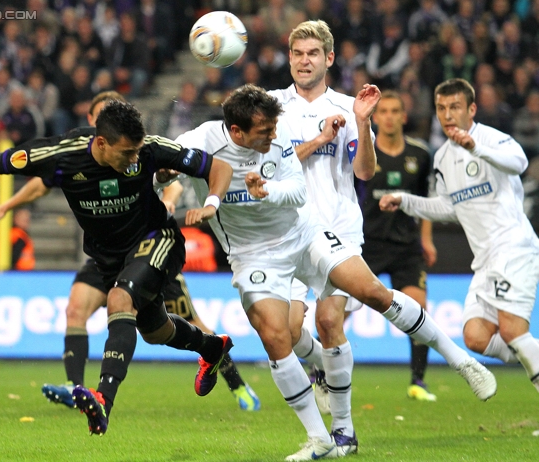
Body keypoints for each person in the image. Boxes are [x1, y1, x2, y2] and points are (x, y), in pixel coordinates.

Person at [177, 84, 497, 462]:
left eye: (273, 129)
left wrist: (268, 191)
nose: (274, 136)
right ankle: (319, 439)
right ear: (236, 132)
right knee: (279, 336)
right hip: (254, 255)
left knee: (372, 292)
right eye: (264, 132)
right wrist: (163, 182)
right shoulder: (200, 142)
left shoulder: (275, 139)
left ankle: (461, 360)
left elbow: (297, 191)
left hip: (304, 231)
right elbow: (162, 162)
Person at [0, 98, 235, 440]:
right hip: (111, 258)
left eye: (136, 153)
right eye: (126, 153)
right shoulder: (61, 155)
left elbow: (219, 168)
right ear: (101, 143)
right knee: (155, 331)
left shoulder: (149, 149)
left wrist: (210, 203)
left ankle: (102, 402)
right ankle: (211, 347)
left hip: (158, 239)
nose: (134, 160)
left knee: (119, 299)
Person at [0, 91, 260, 411]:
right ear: (93, 126)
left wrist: (170, 197)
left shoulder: (135, 150)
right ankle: (78, 391)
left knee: (181, 319)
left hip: (149, 245)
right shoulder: (74, 155)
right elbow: (41, 183)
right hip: (105, 256)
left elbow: (172, 179)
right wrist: (6, 205)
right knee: (81, 311)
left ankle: (234, 380)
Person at [380, 78, 539, 395]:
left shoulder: (493, 139)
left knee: (511, 329)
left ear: (472, 109)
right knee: (476, 336)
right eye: (441, 108)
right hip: (485, 261)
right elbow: (450, 207)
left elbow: (519, 162)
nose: (447, 114)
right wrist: (406, 200)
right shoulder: (442, 158)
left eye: (455, 107)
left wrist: (476, 147)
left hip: (514, 247)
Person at [268, 19, 378, 453]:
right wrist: (318, 139)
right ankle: (321, 371)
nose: (304, 61)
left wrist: (363, 125)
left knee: (328, 321)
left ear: (329, 59)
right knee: (290, 332)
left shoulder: (350, 107)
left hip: (337, 228)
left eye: (313, 53)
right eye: (297, 54)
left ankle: (345, 431)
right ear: (290, 58)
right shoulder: (273, 107)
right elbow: (271, 167)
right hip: (290, 232)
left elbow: (365, 172)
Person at [356, 91, 437, 401]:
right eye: (383, 112)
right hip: (367, 244)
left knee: (419, 311)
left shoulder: (420, 153)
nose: (388, 117)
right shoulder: (365, 152)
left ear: (404, 116)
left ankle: (418, 381)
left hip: (406, 246)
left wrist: (426, 239)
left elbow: (426, 202)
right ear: (375, 118)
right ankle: (322, 371)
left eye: (394, 111)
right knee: (335, 312)